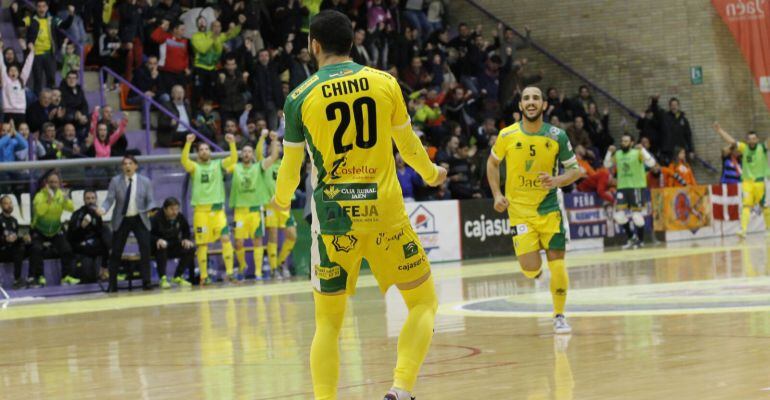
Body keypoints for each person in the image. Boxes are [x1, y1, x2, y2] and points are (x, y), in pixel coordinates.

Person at [270, 11, 447, 400]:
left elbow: (291, 170)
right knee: (423, 302)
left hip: (335, 220)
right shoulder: (384, 82)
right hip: (385, 214)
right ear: (352, 42)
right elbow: (409, 147)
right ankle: (400, 390)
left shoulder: (299, 97)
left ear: (313, 46)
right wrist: (432, 173)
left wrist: (280, 202)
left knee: (328, 324)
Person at [486, 86, 582, 334]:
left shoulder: (557, 135)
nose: (531, 102)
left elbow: (575, 170)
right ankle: (537, 275)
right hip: (519, 212)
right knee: (529, 269)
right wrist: (497, 194)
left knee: (558, 265)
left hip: (550, 209)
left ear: (544, 104)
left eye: (535, 98)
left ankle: (559, 315)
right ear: (520, 105)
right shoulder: (506, 135)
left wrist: (557, 181)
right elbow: (492, 164)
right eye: (526, 98)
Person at [180, 133, 238, 285]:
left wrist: (232, 143)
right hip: (201, 212)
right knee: (202, 244)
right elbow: (184, 161)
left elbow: (233, 159)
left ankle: (230, 273)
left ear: (210, 152)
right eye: (201, 149)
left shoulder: (218, 164)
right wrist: (187, 143)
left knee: (226, 239)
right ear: (198, 153)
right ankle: (204, 277)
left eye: (207, 149)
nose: (204, 151)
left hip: (218, 211)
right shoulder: (194, 167)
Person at [228, 130, 279, 280]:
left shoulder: (259, 167)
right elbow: (227, 164)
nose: (246, 154)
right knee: (238, 242)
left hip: (256, 210)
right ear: (241, 154)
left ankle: (258, 272)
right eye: (244, 151)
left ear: (252, 155)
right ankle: (242, 267)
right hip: (240, 211)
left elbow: (274, 156)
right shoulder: (235, 167)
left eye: (249, 152)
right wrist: (232, 143)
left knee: (258, 240)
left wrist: (275, 141)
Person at [100, 155, 156, 292]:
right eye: (124, 164)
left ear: (136, 166)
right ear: (122, 167)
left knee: (145, 250)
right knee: (116, 252)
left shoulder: (145, 181)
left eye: (130, 163)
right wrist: (103, 208)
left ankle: (147, 282)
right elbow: (109, 199)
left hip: (140, 217)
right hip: (122, 219)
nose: (127, 166)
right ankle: (112, 284)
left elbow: (150, 200)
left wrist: (152, 208)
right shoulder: (115, 181)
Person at [714, 122, 769, 238]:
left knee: (765, 206)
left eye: (754, 139)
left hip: (761, 182)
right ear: (747, 141)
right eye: (750, 139)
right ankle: (743, 230)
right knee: (746, 206)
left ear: (757, 139)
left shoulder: (762, 148)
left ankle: (768, 229)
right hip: (747, 182)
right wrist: (720, 130)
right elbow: (732, 142)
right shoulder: (744, 148)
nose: (752, 141)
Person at [603, 134, 657, 248]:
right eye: (622, 141)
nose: (623, 143)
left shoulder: (637, 152)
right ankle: (631, 238)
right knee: (618, 216)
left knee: (637, 216)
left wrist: (643, 149)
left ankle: (641, 241)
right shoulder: (618, 154)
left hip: (636, 188)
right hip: (622, 188)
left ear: (631, 143)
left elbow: (651, 163)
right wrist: (608, 152)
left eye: (626, 141)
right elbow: (606, 164)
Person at [30, 171, 78, 287]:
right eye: (51, 182)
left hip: (55, 230)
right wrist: (49, 200)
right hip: (39, 229)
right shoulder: (39, 196)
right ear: (46, 183)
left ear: (59, 183)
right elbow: (40, 212)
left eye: (56, 182)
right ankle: (39, 277)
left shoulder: (61, 195)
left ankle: (66, 277)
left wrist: (67, 199)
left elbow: (71, 209)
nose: (53, 184)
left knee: (66, 249)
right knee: (36, 249)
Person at [24, 1, 74, 95]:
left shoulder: (53, 19)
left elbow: (65, 25)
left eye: (43, 6)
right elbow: (20, 23)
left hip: (49, 54)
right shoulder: (31, 19)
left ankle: (51, 104)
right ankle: (38, 104)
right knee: (38, 81)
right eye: (39, 6)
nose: (41, 9)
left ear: (47, 8)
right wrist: (15, 11)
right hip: (36, 55)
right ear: (36, 7)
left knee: (51, 81)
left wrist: (71, 15)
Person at [67, 190, 111, 283]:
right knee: (88, 271)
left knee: (106, 230)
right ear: (84, 200)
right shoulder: (78, 214)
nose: (90, 201)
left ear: (96, 200)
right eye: (88, 198)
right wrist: (82, 226)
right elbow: (71, 236)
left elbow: (100, 233)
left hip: (94, 245)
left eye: (93, 198)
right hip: (81, 245)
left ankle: (106, 267)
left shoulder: (97, 214)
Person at [151, 197, 195, 288]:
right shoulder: (156, 218)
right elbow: (148, 234)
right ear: (165, 209)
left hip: (173, 245)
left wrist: (186, 239)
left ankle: (178, 276)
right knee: (162, 246)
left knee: (190, 248)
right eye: (172, 209)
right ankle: (163, 279)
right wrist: (157, 240)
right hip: (158, 247)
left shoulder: (179, 217)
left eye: (177, 209)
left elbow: (186, 230)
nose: (175, 212)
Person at [0, 41, 34, 125]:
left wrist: (32, 53)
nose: (13, 72)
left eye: (15, 70)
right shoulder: (5, 80)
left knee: (20, 134)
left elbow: (27, 66)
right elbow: (1, 65)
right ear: (7, 73)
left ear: (18, 73)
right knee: (7, 134)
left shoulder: (22, 80)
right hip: (8, 112)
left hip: (21, 113)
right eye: (11, 70)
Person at [0, 195, 28, 289]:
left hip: (12, 250)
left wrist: (23, 238)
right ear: (1, 205)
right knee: (17, 250)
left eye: (10, 203)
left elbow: (15, 237)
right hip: (2, 250)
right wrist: (4, 239)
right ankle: (16, 279)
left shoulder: (14, 221)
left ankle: (26, 279)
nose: (9, 205)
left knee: (29, 247)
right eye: (6, 203)